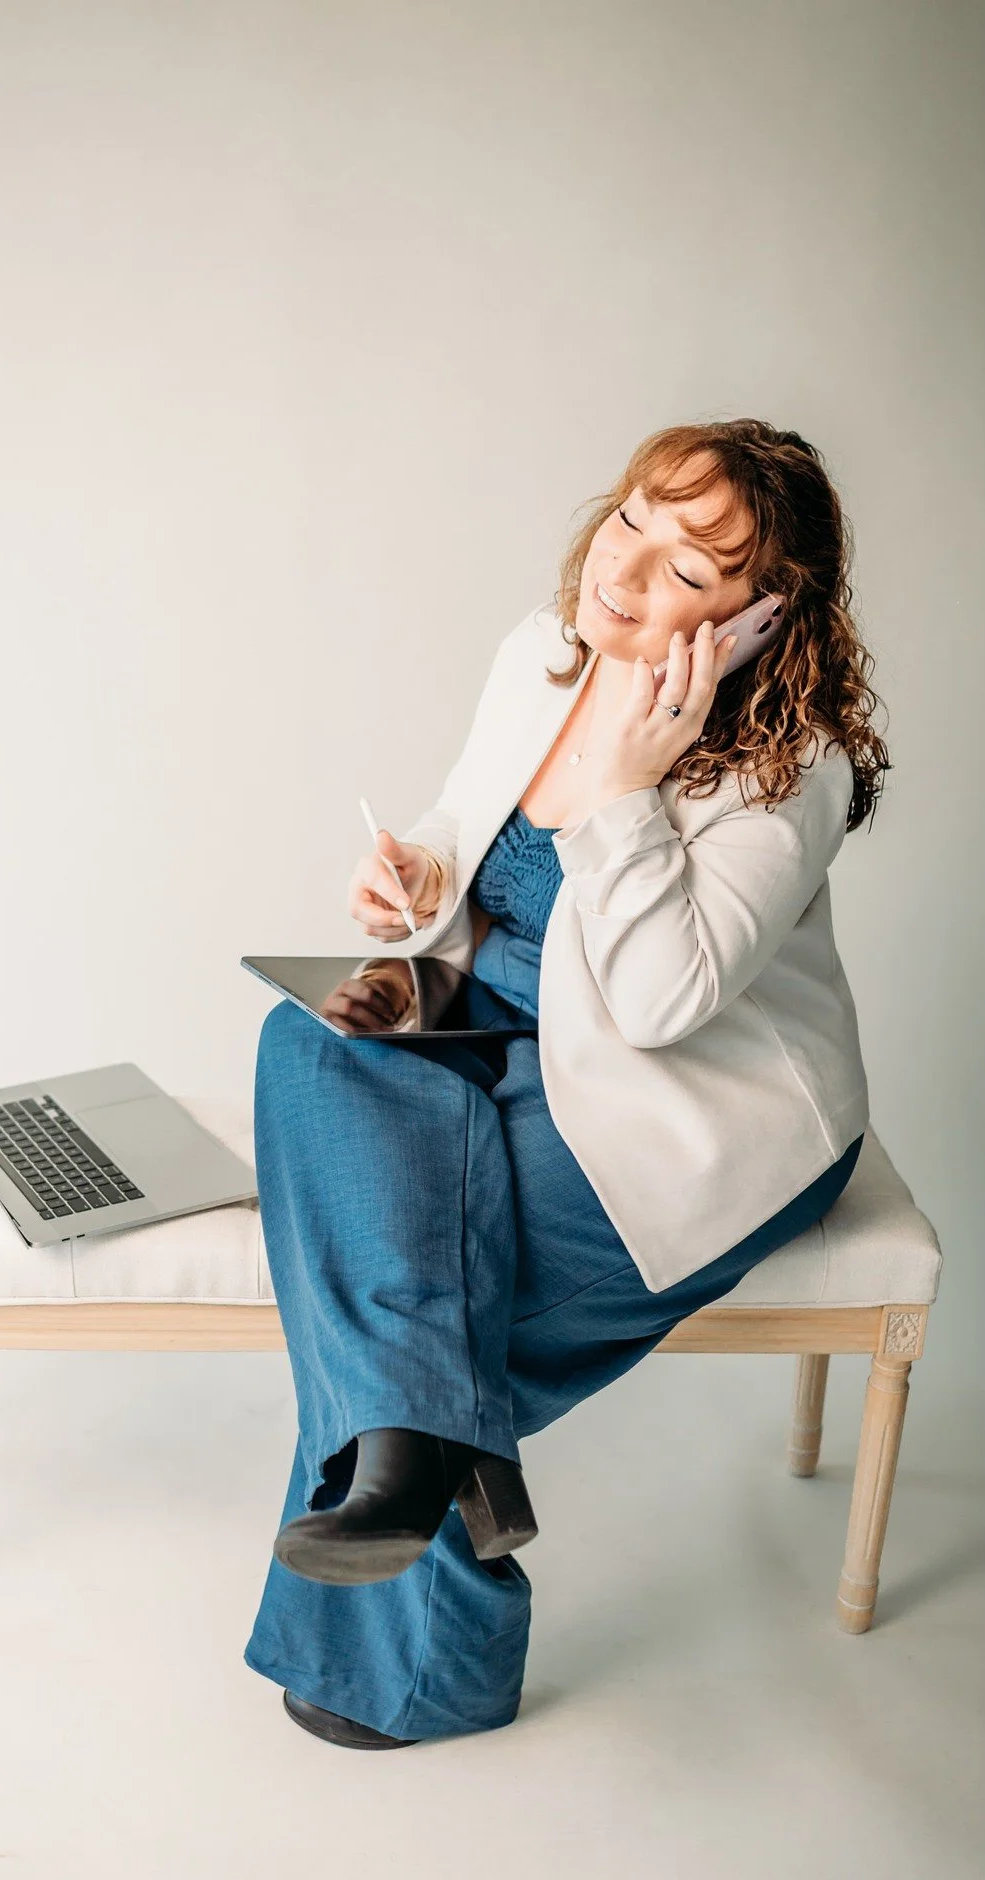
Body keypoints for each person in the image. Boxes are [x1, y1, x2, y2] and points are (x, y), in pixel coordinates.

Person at [242, 417, 891, 1750]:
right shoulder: (541, 658)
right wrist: (417, 878)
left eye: (689, 570)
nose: (629, 570)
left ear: (765, 618)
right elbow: (463, 835)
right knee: (312, 1041)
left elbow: (657, 1007)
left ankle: (421, 1560)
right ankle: (429, 1456)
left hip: (691, 1101)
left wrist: (628, 789)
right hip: (505, 1015)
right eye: (635, 522)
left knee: (418, 1278)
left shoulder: (791, 765)